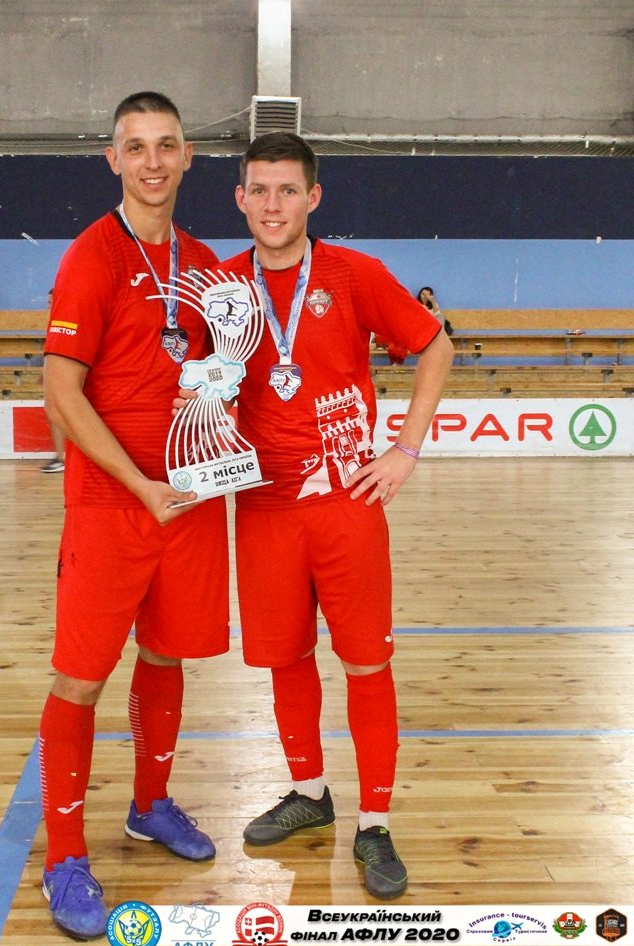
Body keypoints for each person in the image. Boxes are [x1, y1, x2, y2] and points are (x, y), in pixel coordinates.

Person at [213, 133, 453, 899]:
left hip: (348, 505)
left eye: (288, 190)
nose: (273, 204)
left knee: (366, 664)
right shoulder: (220, 287)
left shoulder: (354, 274)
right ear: (240, 198)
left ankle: (374, 822)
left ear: (313, 197)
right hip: (262, 508)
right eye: (259, 190)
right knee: (285, 658)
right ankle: (310, 791)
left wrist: (405, 450)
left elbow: (436, 346)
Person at [37, 91, 229, 941]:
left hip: (186, 502)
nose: (153, 161)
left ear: (187, 157)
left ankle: (150, 804)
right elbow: (61, 392)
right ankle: (64, 857)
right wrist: (139, 483)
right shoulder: (92, 256)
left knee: (166, 652)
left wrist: (225, 433)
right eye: (136, 146)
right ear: (113, 159)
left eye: (167, 145)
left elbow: (217, 379)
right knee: (80, 678)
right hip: (112, 506)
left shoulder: (206, 263)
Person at [39, 288, 66, 474]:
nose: (49, 306)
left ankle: (63, 457)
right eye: (48, 303)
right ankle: (61, 456)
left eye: (52, 302)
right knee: (54, 413)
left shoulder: (65, 322)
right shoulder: (53, 322)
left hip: (67, 377)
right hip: (58, 374)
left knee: (57, 413)